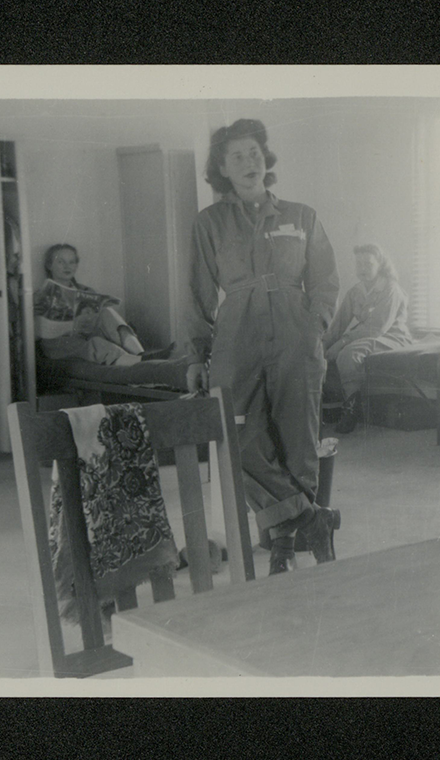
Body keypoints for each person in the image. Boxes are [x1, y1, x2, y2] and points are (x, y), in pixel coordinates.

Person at [184, 118, 342, 575]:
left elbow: (326, 281)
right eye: (237, 156)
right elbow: (196, 293)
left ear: (265, 158)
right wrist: (196, 354)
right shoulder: (209, 223)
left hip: (296, 334)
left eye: (254, 152)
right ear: (222, 169)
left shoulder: (301, 215)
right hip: (236, 334)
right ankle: (313, 520)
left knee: (298, 442)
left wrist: (314, 328)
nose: (249, 162)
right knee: (234, 438)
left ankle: (282, 550)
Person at [322, 243, 414, 434]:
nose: (362, 268)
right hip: (368, 337)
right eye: (359, 264)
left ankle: (351, 409)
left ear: (379, 265)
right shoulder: (355, 291)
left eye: (368, 264)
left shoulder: (391, 289)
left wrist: (342, 343)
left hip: (393, 337)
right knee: (323, 353)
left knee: (348, 353)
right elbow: (338, 324)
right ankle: (330, 408)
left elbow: (376, 328)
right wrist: (321, 345)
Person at [33, 243, 157, 366]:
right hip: (60, 343)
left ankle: (140, 354)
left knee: (106, 312)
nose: (67, 266)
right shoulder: (40, 295)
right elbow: (35, 332)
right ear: (49, 265)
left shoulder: (87, 291)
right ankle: (141, 363)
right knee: (96, 343)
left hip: (85, 336)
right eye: (61, 262)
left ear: (76, 265)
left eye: (72, 262)